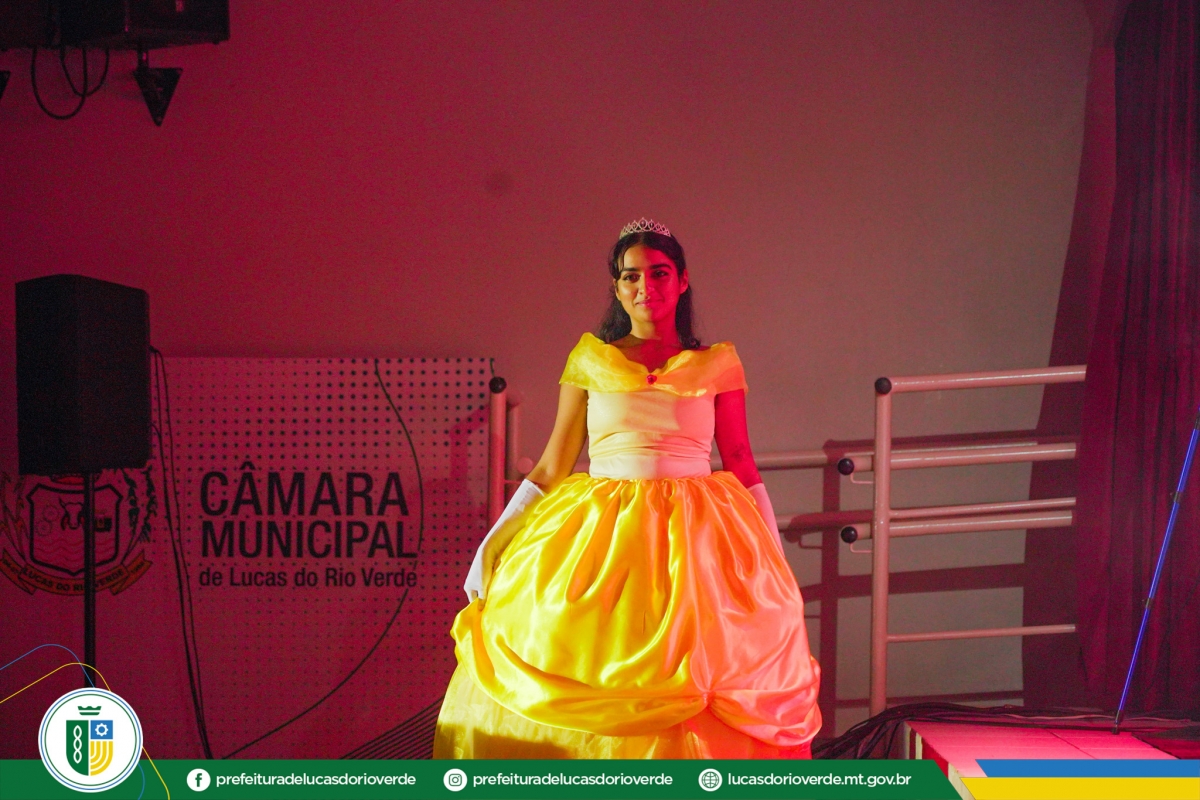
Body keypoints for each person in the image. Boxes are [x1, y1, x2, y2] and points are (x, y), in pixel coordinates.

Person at [434, 219, 821, 759]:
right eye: (631, 276)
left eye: (658, 273)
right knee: (576, 647)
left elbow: (739, 460)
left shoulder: (718, 364)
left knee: (703, 666)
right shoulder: (590, 360)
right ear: (617, 288)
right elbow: (551, 465)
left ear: (682, 280)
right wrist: (495, 540)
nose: (645, 287)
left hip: (697, 540)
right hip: (602, 535)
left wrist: (771, 555)